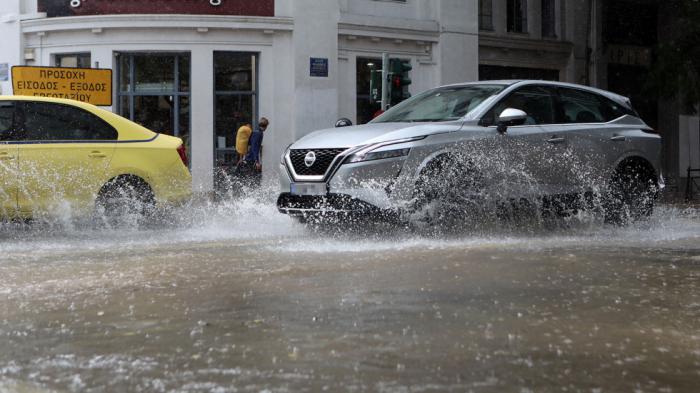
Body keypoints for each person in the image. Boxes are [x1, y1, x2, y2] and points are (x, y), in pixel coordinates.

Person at [237, 117, 269, 188]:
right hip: (251, 159)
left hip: (249, 158)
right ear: (266, 126)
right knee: (254, 180)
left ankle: (250, 192)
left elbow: (249, 144)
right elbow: (254, 147)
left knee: (252, 179)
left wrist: (241, 157)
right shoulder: (258, 133)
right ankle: (251, 193)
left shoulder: (256, 132)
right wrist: (257, 161)